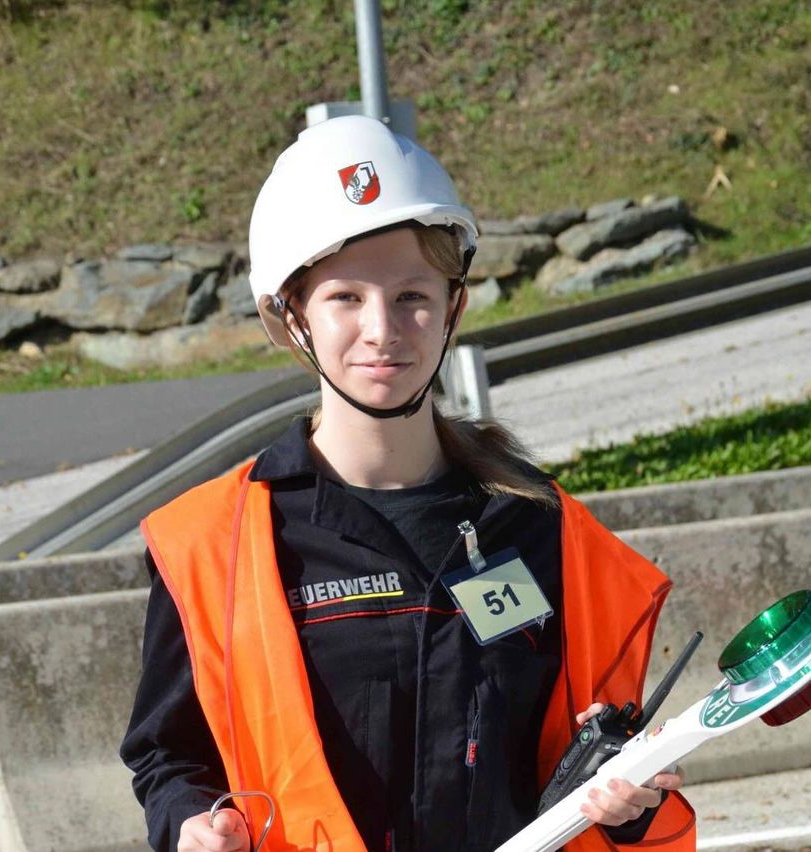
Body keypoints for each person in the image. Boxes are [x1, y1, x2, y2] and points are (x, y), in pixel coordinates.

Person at [121, 115, 695, 852]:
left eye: (412, 296)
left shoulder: (538, 525)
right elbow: (169, 756)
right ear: (291, 314)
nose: (383, 328)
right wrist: (193, 825)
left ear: (454, 305)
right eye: (346, 298)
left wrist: (629, 798)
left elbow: (587, 758)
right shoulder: (213, 544)